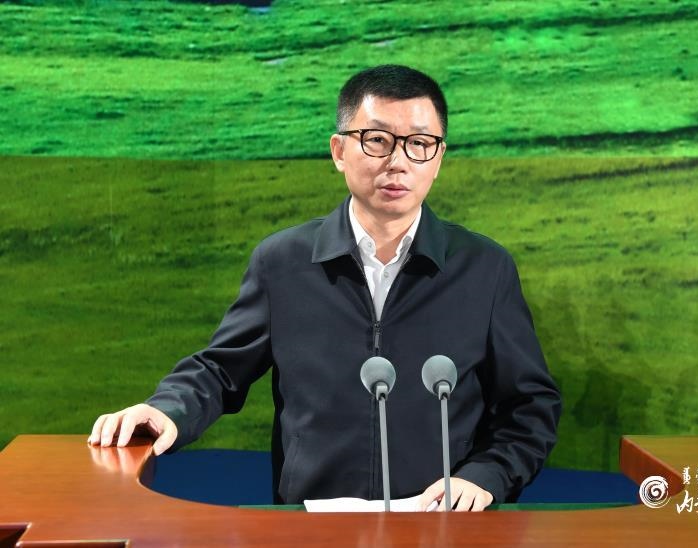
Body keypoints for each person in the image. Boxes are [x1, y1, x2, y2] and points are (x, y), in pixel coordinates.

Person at [89, 64, 561, 512]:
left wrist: (486, 476)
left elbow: (530, 406)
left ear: (438, 159)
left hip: (440, 523)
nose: (398, 162)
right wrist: (166, 410)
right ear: (339, 151)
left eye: (419, 143)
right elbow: (220, 370)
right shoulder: (282, 262)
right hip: (311, 522)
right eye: (377, 140)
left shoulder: (484, 268)